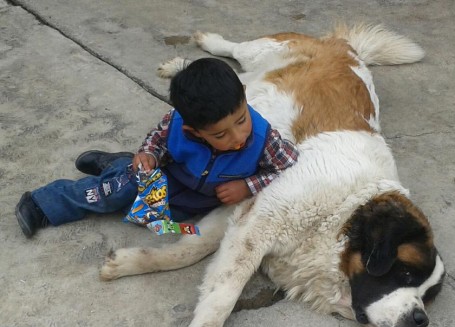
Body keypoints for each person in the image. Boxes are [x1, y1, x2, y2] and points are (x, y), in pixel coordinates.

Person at [15, 58, 299, 238]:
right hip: (164, 177)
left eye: (241, 120)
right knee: (114, 194)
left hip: (190, 203)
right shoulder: (176, 124)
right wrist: (148, 155)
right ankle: (44, 204)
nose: (238, 136)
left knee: (147, 219)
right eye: (220, 134)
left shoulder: (263, 138)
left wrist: (248, 185)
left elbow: (290, 167)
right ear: (194, 131)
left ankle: (117, 166)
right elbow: (156, 140)